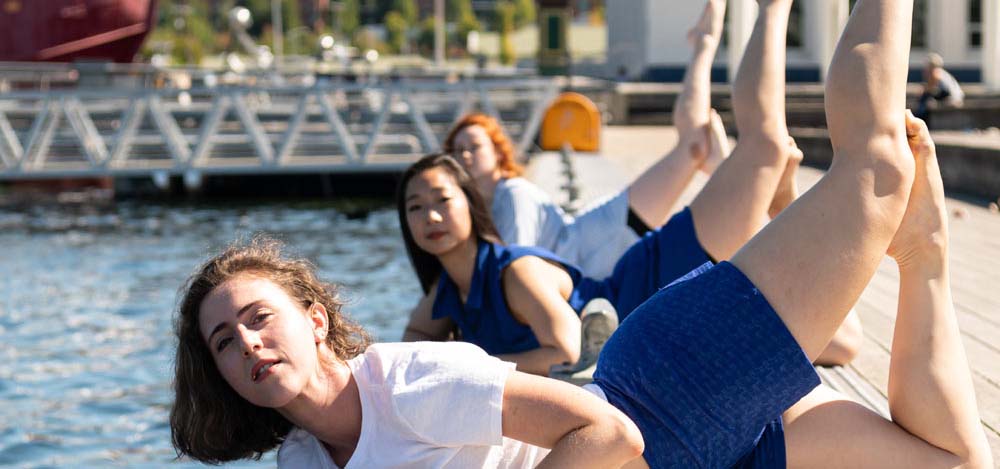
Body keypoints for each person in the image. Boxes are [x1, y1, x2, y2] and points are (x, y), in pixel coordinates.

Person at [171, 2, 994, 467]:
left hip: (671, 394)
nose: (246, 344)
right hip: (686, 458)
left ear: (315, 316)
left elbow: (609, 434)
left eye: (257, 317)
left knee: (876, 167)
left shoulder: (405, 382)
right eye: (222, 342)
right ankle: (923, 259)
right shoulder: (304, 461)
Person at [402, 0, 860, 369]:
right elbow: (412, 344)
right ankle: (779, 207)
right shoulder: (444, 293)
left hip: (655, 283)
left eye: (441, 199)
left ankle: (772, 10)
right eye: (415, 208)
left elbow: (565, 349)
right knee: (842, 344)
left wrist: (461, 365)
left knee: (764, 147)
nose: (430, 216)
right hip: (674, 327)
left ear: (471, 203)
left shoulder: (510, 269)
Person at [445, 0, 731, 280]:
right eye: (458, 150)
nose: (466, 155)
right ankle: (718, 161)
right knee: (695, 153)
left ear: (498, 153)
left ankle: (703, 47)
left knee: (692, 149)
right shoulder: (483, 206)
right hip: (604, 256)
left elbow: (513, 269)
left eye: (474, 146)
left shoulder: (512, 193)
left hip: (607, 233)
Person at [914, 52, 965, 125]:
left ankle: (920, 120)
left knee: (926, 99)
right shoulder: (941, 73)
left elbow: (931, 89)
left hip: (951, 97)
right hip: (951, 95)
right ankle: (920, 119)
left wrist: (924, 91)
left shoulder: (936, 72)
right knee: (926, 99)